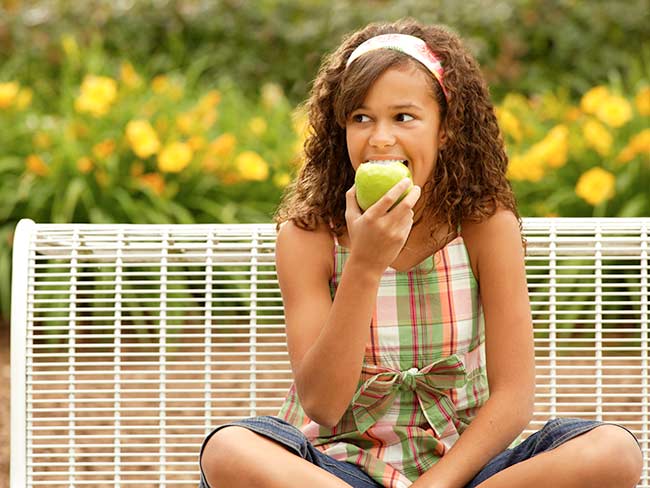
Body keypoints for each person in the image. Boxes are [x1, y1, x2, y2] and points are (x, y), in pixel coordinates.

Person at [198, 18, 643, 488]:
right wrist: (365, 265)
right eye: (360, 118)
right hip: (338, 468)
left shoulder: (484, 227)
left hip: (465, 468)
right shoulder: (308, 237)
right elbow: (323, 406)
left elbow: (513, 398)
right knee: (230, 450)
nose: (380, 138)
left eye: (403, 117)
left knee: (612, 452)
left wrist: (436, 485)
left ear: (445, 128)